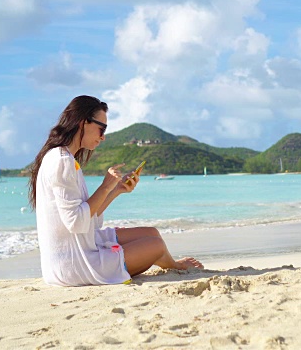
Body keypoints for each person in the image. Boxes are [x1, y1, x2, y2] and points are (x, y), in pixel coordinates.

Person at [28, 95, 203, 286]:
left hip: (78, 249)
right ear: (83, 123)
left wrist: (116, 189)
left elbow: (89, 217)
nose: (103, 137)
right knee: (156, 246)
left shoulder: (64, 158)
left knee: (152, 233)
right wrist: (105, 186)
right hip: (73, 264)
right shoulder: (62, 161)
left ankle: (169, 263)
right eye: (101, 129)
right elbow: (77, 222)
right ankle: (175, 265)